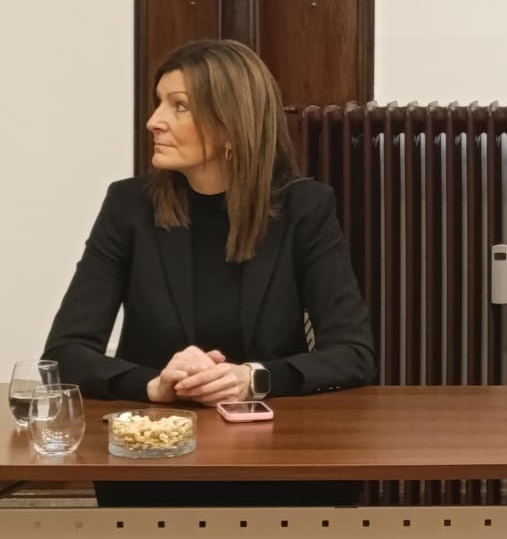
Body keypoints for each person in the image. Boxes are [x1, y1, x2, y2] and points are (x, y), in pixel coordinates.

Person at [43, 38, 376, 504]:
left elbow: (354, 354)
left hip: (277, 456)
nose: (153, 120)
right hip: (156, 456)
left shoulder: (304, 207)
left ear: (232, 125)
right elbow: (64, 354)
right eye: (159, 102)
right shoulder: (129, 206)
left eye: (178, 106)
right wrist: (155, 386)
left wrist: (252, 377)